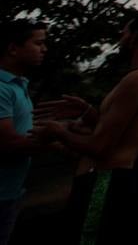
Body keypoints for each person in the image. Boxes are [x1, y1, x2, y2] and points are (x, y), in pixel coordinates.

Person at [35, 11, 138, 244]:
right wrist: (88, 112)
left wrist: (58, 131)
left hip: (105, 182)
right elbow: (126, 128)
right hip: (122, 178)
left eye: (126, 30)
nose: (122, 34)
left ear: (136, 35)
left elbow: (100, 146)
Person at [0, 21, 50, 245]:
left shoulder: (18, 85)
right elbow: (8, 142)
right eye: (38, 43)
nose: (44, 49)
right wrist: (59, 139)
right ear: (13, 48)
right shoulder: (1, 88)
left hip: (11, 191)